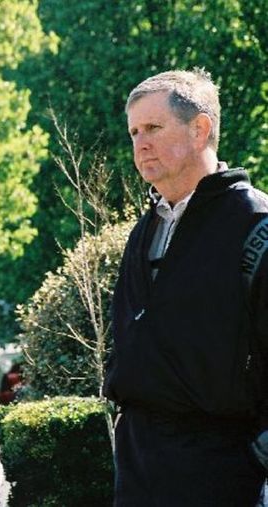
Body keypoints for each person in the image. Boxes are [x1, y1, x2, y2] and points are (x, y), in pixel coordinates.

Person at [103, 68, 268, 506]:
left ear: (200, 130)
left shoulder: (256, 226)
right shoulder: (145, 231)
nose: (140, 143)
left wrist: (255, 459)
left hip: (224, 475)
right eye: (134, 132)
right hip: (138, 469)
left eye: (153, 128)